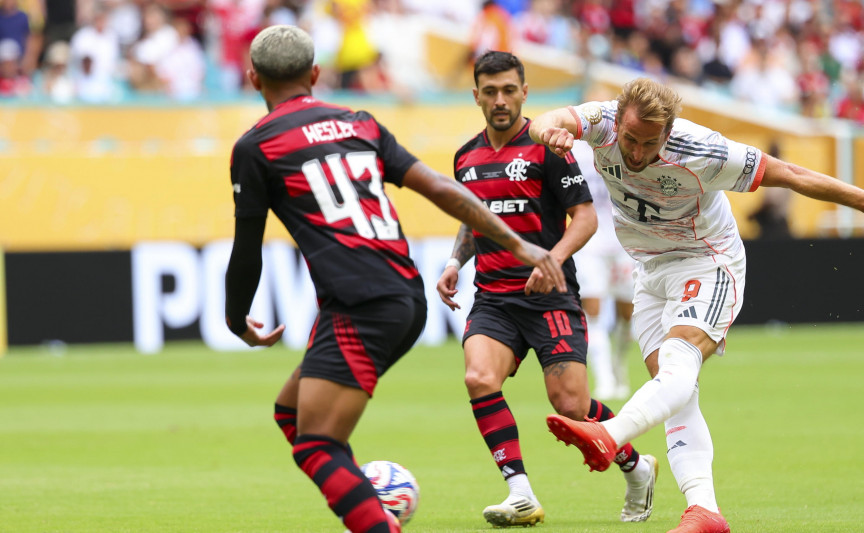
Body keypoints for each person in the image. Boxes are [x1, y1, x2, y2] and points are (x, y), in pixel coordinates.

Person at [225, 26, 568, 533]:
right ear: (316, 75)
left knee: (315, 442)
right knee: (292, 413)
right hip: (404, 294)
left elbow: (247, 249)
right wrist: (516, 242)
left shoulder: (256, 146)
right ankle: (369, 502)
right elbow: (440, 188)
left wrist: (237, 321)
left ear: (252, 77)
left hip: (359, 304)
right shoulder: (359, 122)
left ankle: (375, 521)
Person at [529, 77, 864, 533]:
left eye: (648, 144)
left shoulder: (703, 151)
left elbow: (792, 174)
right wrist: (547, 132)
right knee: (676, 390)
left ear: (668, 134)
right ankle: (704, 510)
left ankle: (609, 434)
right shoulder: (603, 120)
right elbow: (549, 120)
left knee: (677, 366)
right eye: (629, 139)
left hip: (707, 262)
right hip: (650, 269)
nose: (634, 153)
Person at [435, 51, 658, 528]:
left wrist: (551, 259)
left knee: (572, 406)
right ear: (476, 95)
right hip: (493, 297)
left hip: (550, 296)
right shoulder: (466, 157)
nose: (500, 100)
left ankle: (637, 467)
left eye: (509, 90)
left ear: (524, 93)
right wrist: (456, 260)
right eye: (490, 91)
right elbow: (474, 221)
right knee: (479, 378)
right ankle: (519, 493)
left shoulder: (548, 150)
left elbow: (586, 217)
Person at [571, 138, 639, 400]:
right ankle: (604, 378)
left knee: (627, 315)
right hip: (590, 243)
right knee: (593, 312)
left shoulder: (621, 145)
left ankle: (618, 364)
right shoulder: (573, 150)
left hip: (624, 244)